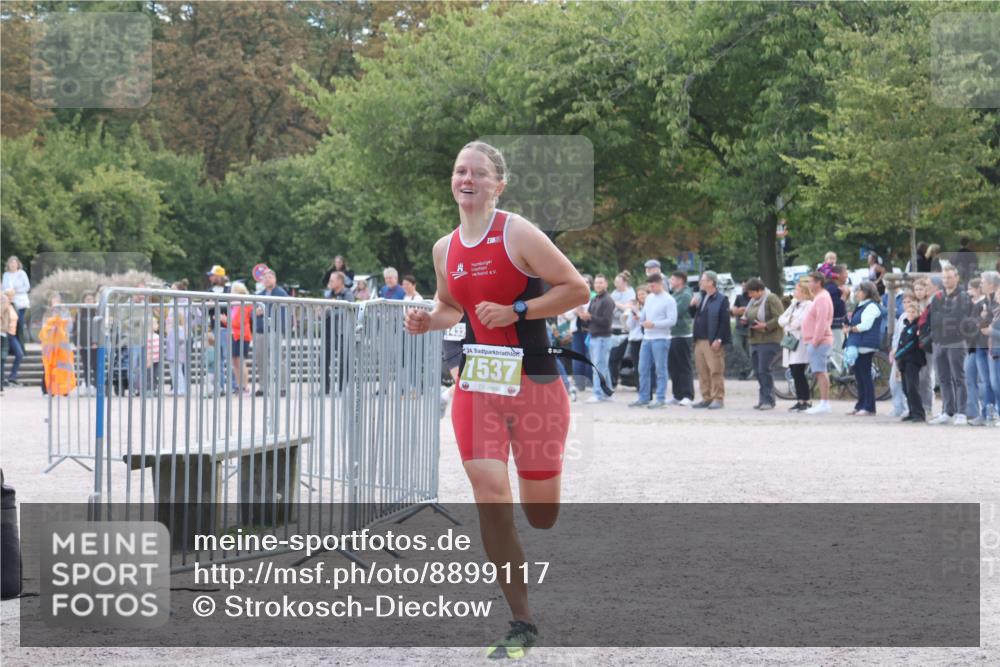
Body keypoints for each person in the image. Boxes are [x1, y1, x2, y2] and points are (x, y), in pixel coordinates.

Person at [403, 140, 592, 659]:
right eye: (459, 171)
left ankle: (541, 494)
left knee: (541, 514)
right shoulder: (444, 248)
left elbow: (577, 290)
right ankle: (521, 619)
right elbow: (450, 308)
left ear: (498, 185)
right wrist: (426, 320)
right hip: (478, 385)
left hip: (535, 387)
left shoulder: (517, 233)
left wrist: (519, 310)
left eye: (478, 173)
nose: (467, 179)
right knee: (490, 498)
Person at [926, 265, 972, 425]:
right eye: (944, 277)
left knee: (959, 378)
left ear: (957, 278)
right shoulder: (937, 297)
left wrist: (943, 317)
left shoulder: (963, 296)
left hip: (956, 342)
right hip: (939, 342)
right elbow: (933, 318)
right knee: (943, 379)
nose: (946, 280)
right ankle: (947, 411)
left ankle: (962, 412)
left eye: (950, 277)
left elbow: (958, 317)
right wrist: (944, 318)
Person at [629, 273, 676, 408]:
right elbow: (644, 315)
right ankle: (644, 397)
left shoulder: (669, 300)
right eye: (649, 286)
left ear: (660, 284)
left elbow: (672, 320)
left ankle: (660, 398)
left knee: (660, 370)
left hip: (661, 338)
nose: (651, 289)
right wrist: (639, 317)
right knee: (642, 368)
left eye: (653, 286)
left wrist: (654, 324)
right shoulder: (649, 298)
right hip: (647, 337)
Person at [690, 271, 730, 409]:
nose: (700, 282)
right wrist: (692, 306)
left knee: (715, 370)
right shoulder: (702, 297)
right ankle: (706, 398)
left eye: (703, 280)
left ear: (711, 282)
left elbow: (724, 322)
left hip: (712, 341)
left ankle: (718, 398)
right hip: (699, 341)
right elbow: (694, 316)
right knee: (702, 371)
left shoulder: (722, 300)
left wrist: (719, 339)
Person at [844, 281, 885, 416]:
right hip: (859, 343)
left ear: (866, 292)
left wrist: (851, 329)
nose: (856, 293)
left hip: (865, 344)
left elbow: (865, 325)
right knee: (859, 376)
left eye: (859, 290)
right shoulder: (862, 305)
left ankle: (869, 406)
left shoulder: (871, 306)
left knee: (865, 376)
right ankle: (860, 405)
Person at [743, 277, 784, 410]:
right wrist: (745, 320)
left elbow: (780, 317)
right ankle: (763, 399)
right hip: (755, 340)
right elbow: (750, 315)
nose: (750, 296)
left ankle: (769, 400)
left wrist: (766, 325)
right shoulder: (753, 301)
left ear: (760, 290)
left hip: (769, 340)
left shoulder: (771, 298)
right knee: (758, 371)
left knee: (764, 370)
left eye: (751, 292)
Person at [254, 268, 290, 397]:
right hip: (260, 330)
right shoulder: (259, 294)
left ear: (275, 279)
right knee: (261, 360)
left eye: (269, 277)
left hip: (275, 329)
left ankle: (282, 387)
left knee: (278, 359)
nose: (267, 279)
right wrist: (255, 313)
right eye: (265, 277)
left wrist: (265, 312)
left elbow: (283, 311)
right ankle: (263, 387)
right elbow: (253, 312)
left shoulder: (281, 293)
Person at [778, 280, 813, 411]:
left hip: (800, 341)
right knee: (794, 371)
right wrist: (789, 321)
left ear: (803, 292)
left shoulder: (808, 305)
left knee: (799, 371)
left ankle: (806, 400)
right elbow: (781, 320)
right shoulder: (794, 304)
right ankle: (800, 399)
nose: (794, 292)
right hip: (790, 341)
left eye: (796, 290)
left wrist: (789, 323)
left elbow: (799, 323)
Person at [802, 271, 834, 414]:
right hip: (816, 340)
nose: (808, 284)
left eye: (810, 281)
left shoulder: (822, 298)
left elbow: (822, 321)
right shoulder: (819, 297)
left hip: (819, 341)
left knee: (821, 371)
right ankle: (823, 403)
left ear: (818, 283)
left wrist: (815, 341)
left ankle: (824, 403)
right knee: (819, 371)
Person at [205, 264, 238, 395]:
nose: (210, 278)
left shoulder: (229, 290)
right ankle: (220, 387)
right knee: (218, 360)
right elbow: (207, 309)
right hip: (215, 328)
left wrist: (214, 304)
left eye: (212, 275)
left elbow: (232, 307)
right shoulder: (209, 291)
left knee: (229, 358)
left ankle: (233, 385)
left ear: (219, 277)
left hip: (227, 328)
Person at [965, 278, 993, 426]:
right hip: (975, 345)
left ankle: (988, 412)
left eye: (970, 288)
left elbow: (982, 324)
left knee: (985, 381)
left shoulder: (987, 303)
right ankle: (976, 411)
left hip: (985, 345)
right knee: (972, 378)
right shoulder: (974, 304)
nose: (968, 292)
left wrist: (978, 321)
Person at [894, 295, 927, 422]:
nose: (911, 314)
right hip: (903, 361)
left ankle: (919, 413)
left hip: (913, 360)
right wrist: (898, 356)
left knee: (913, 387)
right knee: (906, 388)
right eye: (909, 312)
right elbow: (901, 343)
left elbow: (911, 344)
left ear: (918, 313)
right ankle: (912, 411)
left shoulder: (917, 326)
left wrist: (898, 354)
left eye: (913, 312)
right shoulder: (906, 325)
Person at [584, 274, 615, 403]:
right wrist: (585, 318)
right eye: (596, 283)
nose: (598, 285)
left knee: (598, 367)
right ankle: (608, 393)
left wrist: (591, 317)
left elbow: (607, 322)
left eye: (601, 282)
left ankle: (598, 394)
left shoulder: (608, 300)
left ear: (606, 284)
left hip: (603, 338)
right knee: (602, 367)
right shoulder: (595, 299)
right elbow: (590, 318)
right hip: (594, 336)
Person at [666, 271, 695, 405]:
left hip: (683, 334)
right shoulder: (674, 294)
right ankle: (677, 395)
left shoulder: (685, 294)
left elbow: (677, 311)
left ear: (680, 280)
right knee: (673, 366)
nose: (670, 281)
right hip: (672, 334)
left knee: (684, 366)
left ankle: (688, 395)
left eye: (672, 279)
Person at [324, 271, 355, 395]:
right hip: (328, 331)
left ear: (340, 281)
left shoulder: (348, 294)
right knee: (323, 360)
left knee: (343, 361)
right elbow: (324, 310)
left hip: (342, 332)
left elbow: (348, 310)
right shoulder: (329, 294)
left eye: (332, 280)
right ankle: (325, 388)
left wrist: (330, 310)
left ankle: (342, 388)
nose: (330, 283)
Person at [607, 271, 635, 389]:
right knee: (612, 358)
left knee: (619, 357)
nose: (615, 284)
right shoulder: (614, 293)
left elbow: (628, 308)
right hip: (613, 328)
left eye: (618, 282)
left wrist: (615, 303)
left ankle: (626, 380)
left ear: (625, 282)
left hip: (625, 329)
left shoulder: (630, 293)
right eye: (615, 282)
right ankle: (613, 381)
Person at [621, 286, 648, 392]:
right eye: (639, 294)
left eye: (643, 294)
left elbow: (647, 321)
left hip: (644, 338)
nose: (641, 296)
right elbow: (629, 325)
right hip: (634, 338)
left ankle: (650, 386)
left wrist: (639, 316)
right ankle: (639, 386)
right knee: (637, 364)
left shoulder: (649, 306)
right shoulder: (634, 307)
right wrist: (633, 316)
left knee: (646, 364)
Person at [229, 282, 254, 393]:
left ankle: (245, 386)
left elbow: (239, 322)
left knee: (240, 361)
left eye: (232, 291)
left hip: (242, 336)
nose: (230, 293)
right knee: (235, 361)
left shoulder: (245, 304)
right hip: (235, 335)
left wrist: (226, 321)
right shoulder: (234, 305)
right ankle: (239, 386)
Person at [163, 284, 188, 397]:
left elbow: (181, 341)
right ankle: (176, 388)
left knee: (178, 372)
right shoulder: (171, 329)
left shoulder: (179, 329)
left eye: (171, 317)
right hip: (172, 354)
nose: (169, 318)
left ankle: (181, 389)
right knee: (173, 372)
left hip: (177, 354)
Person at [2, 256, 30, 347]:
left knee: (19, 325)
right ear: (8, 264)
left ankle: (21, 347)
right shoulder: (6, 275)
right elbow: (3, 289)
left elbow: (27, 287)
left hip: (21, 303)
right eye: (11, 263)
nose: (13, 265)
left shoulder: (22, 273)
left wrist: (16, 291)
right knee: (10, 326)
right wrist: (8, 292)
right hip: (9, 304)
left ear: (18, 264)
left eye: (14, 263)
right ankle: (11, 347)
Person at [75, 292, 99, 394]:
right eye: (87, 299)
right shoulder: (80, 313)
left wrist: (96, 342)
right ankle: (88, 385)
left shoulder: (97, 313)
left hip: (94, 345)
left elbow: (99, 329)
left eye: (91, 299)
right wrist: (77, 343)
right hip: (83, 344)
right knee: (86, 366)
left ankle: (96, 386)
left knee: (95, 366)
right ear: (84, 301)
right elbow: (76, 329)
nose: (89, 301)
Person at [729, 280, 753, 380]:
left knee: (747, 351)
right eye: (742, 286)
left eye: (745, 286)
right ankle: (749, 366)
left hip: (750, 329)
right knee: (737, 346)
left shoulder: (754, 298)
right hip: (739, 328)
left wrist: (743, 310)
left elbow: (753, 312)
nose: (743, 288)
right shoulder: (739, 297)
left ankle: (744, 372)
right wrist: (740, 310)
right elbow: (733, 311)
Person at [2, 288, 24, 386]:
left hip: (13, 335)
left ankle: (12, 377)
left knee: (19, 354)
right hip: (5, 334)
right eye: (9, 295)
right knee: (3, 357)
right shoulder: (3, 305)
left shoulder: (14, 306)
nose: (11, 297)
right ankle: (2, 379)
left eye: (12, 295)